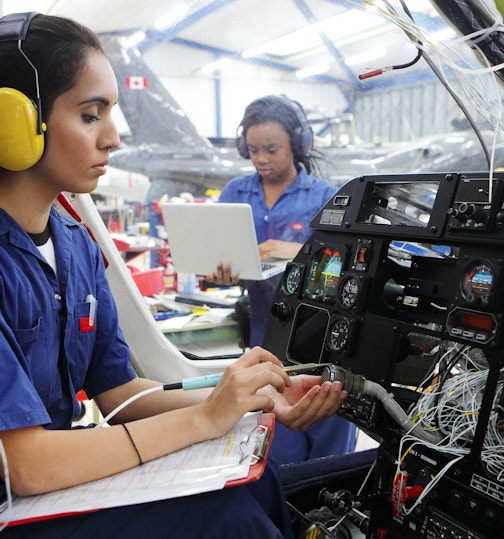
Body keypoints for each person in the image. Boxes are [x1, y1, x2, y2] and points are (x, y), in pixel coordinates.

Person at [0, 13, 350, 538]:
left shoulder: (76, 247)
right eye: (91, 115)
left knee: (259, 485)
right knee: (230, 521)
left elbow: (118, 392)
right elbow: (25, 464)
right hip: (14, 498)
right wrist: (204, 419)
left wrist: (247, 403)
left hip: (49, 480)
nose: (113, 139)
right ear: (15, 123)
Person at [206, 95, 357, 465]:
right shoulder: (235, 193)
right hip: (265, 346)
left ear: (299, 145)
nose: (261, 159)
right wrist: (220, 274)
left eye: (271, 149)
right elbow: (219, 260)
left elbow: (353, 265)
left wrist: (295, 250)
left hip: (323, 344)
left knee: (328, 455)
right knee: (274, 454)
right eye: (253, 149)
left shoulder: (326, 196)